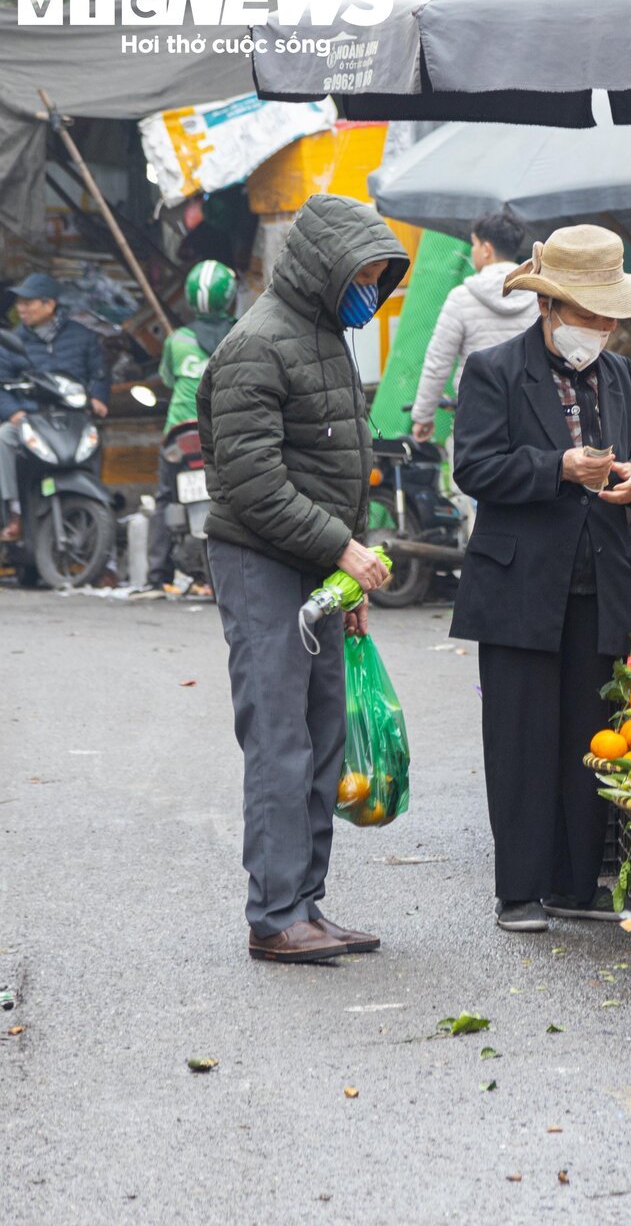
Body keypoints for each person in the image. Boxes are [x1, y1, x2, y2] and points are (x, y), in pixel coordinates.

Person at [198, 193, 409, 963]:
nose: (370, 294)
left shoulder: (326, 337)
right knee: (280, 736)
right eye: (365, 278)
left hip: (313, 565)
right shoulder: (259, 342)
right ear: (326, 269)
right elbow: (253, 481)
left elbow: (330, 467)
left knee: (323, 734)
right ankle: (274, 914)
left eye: (380, 281)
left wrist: (343, 575)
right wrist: (344, 550)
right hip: (258, 560)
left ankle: (306, 904)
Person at [450, 224, 631, 933]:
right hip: (519, 586)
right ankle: (519, 890)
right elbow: (475, 467)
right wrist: (557, 469)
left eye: (610, 318)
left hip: (600, 580)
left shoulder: (620, 375)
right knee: (519, 738)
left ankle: (577, 885)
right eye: (589, 315)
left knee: (590, 735)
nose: (602, 329)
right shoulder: (494, 370)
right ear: (550, 307)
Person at [135, 259, 236, 598]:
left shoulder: (178, 341)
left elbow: (166, 378)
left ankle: (154, 577)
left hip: (179, 433)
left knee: (164, 499)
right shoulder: (241, 335)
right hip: (222, 431)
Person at [0, 273, 109, 544]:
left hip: (72, 419)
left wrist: (98, 397)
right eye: (19, 303)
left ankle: (94, 505)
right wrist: (13, 412)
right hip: (30, 420)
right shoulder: (12, 342)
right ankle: (15, 512)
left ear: (49, 305)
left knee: (94, 442)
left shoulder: (81, 336)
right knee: (3, 438)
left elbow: (100, 372)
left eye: (28, 302)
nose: (20, 309)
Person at [410, 211, 537, 443]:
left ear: (486, 249)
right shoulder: (538, 298)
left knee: (477, 476)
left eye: (474, 244)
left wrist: (423, 416)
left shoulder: (461, 297)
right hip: (529, 413)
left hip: (477, 414)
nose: (473, 251)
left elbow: (438, 362)